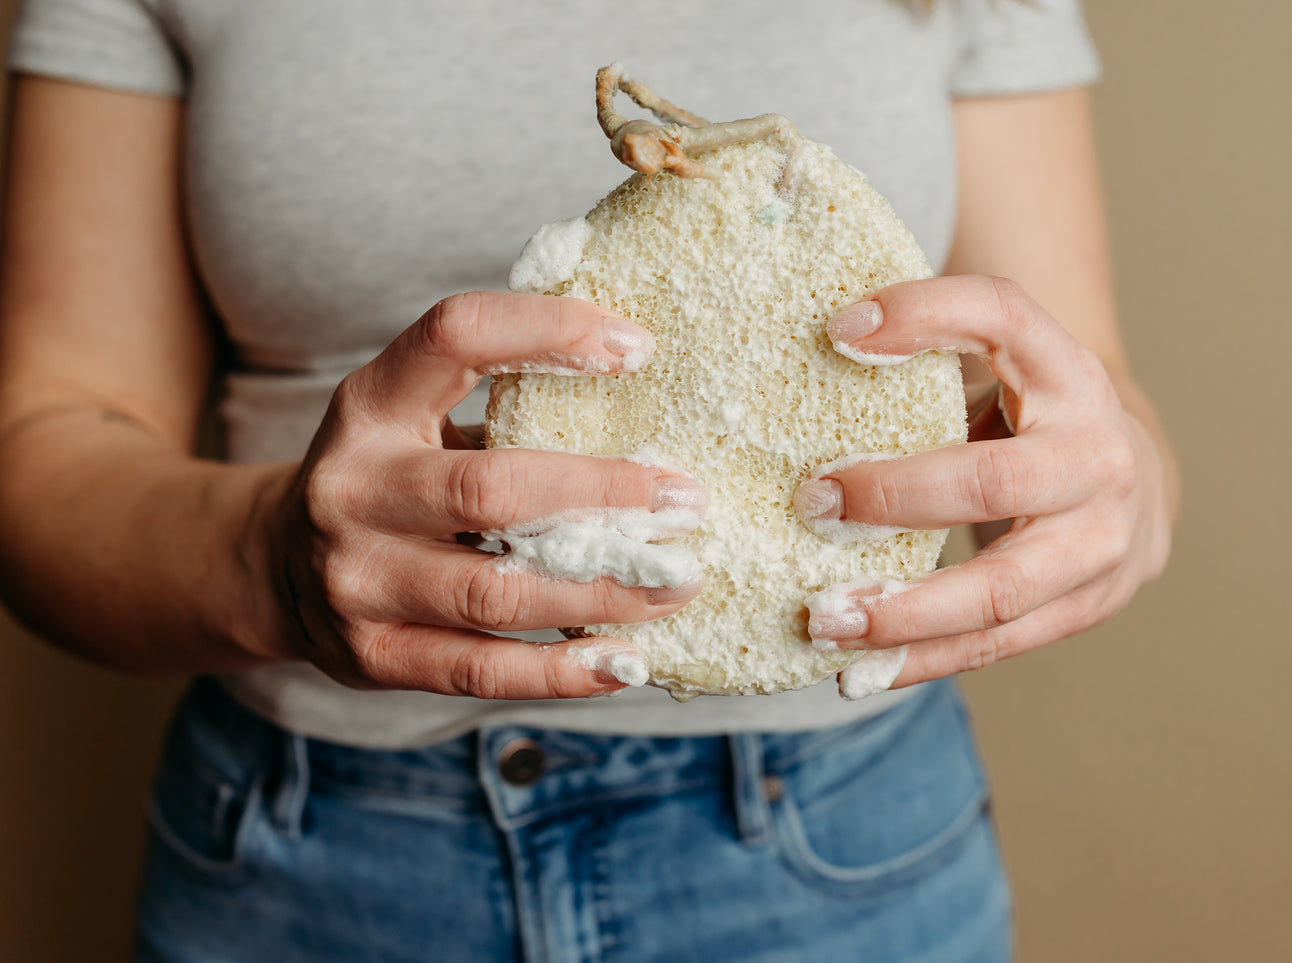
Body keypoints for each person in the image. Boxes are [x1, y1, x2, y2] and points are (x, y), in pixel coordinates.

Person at [0, 0, 1177, 960]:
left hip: (832, 846)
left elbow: (1086, 395)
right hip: (311, 854)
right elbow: (44, 447)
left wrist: (1107, 494)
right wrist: (270, 560)